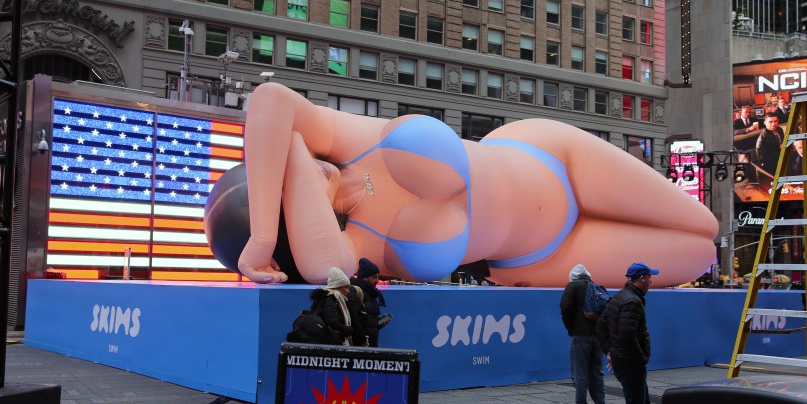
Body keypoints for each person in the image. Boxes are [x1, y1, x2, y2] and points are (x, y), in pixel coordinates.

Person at [235, 83, 718, 288]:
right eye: (286, 194)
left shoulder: (351, 142)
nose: (306, 166)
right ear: (295, 220)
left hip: (549, 155)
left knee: (703, 221)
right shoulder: (356, 244)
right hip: (546, 253)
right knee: (699, 255)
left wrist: (262, 237)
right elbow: (322, 267)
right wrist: (293, 160)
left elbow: (272, 99)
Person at [579, 262, 658, 404]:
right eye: (650, 278)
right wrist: (640, 358)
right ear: (642, 279)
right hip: (631, 363)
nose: (651, 281)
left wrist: (610, 351)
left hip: (624, 360)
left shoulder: (620, 297)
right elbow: (627, 335)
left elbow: (601, 325)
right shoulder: (632, 302)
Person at [559, 264, 607, 404]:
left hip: (580, 335)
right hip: (597, 336)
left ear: (573, 276)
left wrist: (571, 328)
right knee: (596, 372)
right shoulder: (595, 287)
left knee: (579, 372)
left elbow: (565, 307)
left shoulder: (572, 286)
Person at [308, 267, 355, 345]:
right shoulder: (331, 299)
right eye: (346, 287)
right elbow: (332, 322)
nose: (348, 291)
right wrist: (348, 330)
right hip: (331, 342)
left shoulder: (330, 298)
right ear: (338, 287)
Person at [350, 257, 389, 347]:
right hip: (361, 345)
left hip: (370, 343)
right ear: (364, 278)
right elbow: (354, 319)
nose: (377, 280)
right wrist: (361, 339)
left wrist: (378, 323)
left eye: (378, 277)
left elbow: (368, 321)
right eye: (374, 277)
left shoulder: (371, 293)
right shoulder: (356, 292)